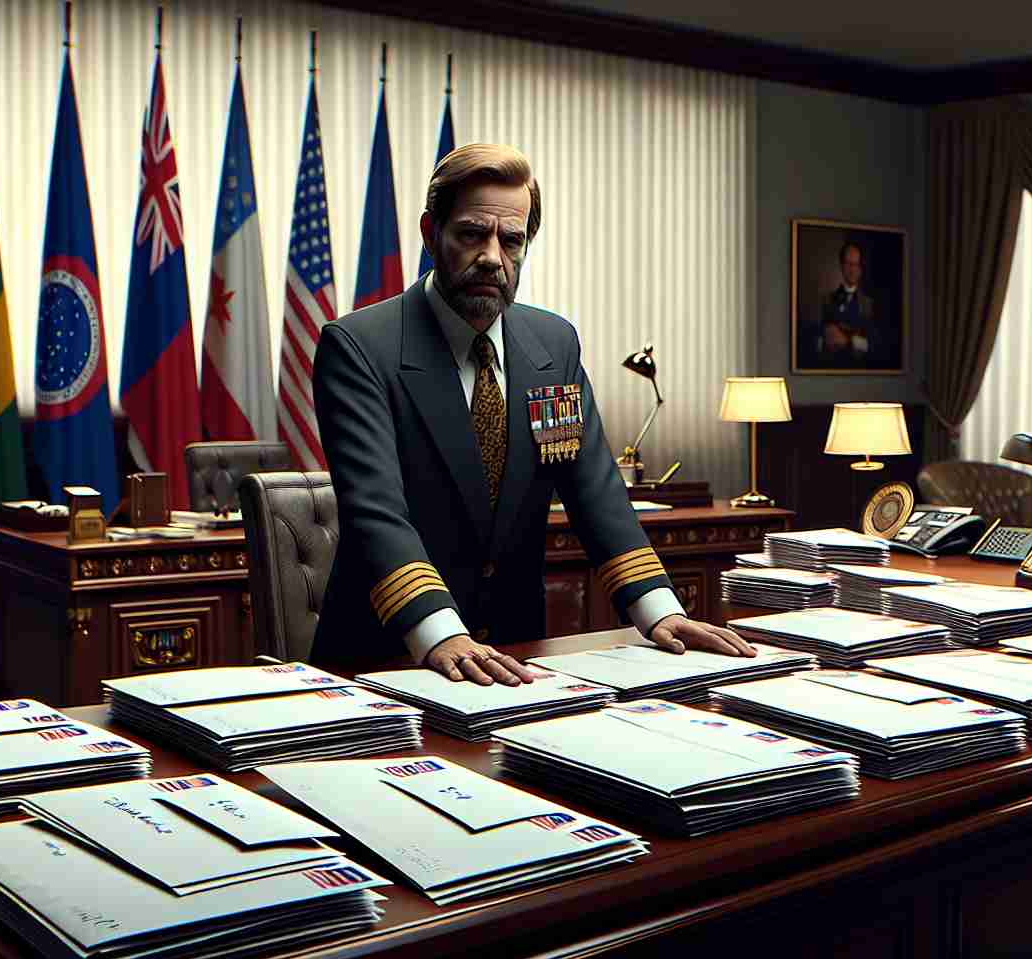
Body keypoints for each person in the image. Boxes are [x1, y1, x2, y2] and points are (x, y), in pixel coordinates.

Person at [310, 143, 754, 685]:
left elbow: (594, 490)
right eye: (472, 234)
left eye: (511, 240)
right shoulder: (359, 346)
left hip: (518, 655)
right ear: (431, 234)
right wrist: (440, 631)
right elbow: (376, 511)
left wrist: (660, 610)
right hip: (384, 656)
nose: (493, 257)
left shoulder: (552, 344)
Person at [819, 242, 878, 361]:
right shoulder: (828, 300)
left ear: (860, 269)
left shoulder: (869, 303)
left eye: (855, 264)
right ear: (841, 266)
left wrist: (848, 341)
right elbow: (820, 340)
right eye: (848, 264)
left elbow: (875, 345)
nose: (852, 269)